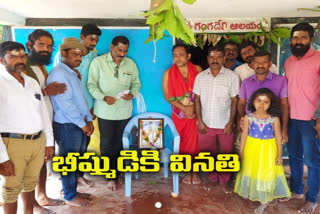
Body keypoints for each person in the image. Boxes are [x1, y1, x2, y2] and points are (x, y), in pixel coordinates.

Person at [0, 41, 54, 214]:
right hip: (12, 143)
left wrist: (49, 143)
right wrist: (2, 157)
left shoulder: (31, 82)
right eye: (13, 56)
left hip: (37, 141)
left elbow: (43, 113)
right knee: (11, 190)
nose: (20, 59)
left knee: (30, 183)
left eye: (22, 55)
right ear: (2, 60)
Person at [87, 35, 141, 191]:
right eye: (119, 50)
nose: (122, 54)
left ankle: (117, 172)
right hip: (105, 112)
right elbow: (91, 85)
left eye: (125, 51)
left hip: (124, 112)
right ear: (111, 47)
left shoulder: (130, 64)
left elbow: (137, 84)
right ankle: (110, 176)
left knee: (120, 144)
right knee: (106, 145)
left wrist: (133, 93)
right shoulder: (98, 63)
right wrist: (103, 97)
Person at [47, 37, 94, 207]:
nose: (79, 58)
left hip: (78, 123)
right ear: (63, 53)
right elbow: (65, 104)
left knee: (76, 159)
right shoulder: (59, 73)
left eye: (80, 55)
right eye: (75, 54)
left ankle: (73, 190)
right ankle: (69, 195)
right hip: (68, 125)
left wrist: (88, 119)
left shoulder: (71, 72)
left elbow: (80, 100)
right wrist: (83, 124)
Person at [54, 24, 102, 188]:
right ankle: (66, 184)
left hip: (87, 109)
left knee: (83, 146)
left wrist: (92, 108)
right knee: (68, 150)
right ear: (82, 37)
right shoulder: (62, 63)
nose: (94, 42)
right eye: (91, 39)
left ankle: (79, 177)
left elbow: (95, 83)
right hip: (69, 113)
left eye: (96, 40)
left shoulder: (94, 58)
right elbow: (61, 92)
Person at [25, 29, 66, 213]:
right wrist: (45, 92)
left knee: (43, 162)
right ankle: (31, 204)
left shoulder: (40, 65)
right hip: (29, 126)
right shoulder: (21, 66)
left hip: (45, 123)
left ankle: (42, 196)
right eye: (41, 44)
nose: (46, 49)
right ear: (29, 45)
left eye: (49, 46)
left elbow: (46, 88)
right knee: (30, 167)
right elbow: (18, 97)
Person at [282, 22, 320, 214]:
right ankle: (296, 190)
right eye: (295, 37)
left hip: (311, 120)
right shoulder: (288, 61)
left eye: (303, 37)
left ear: (311, 39)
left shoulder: (319, 59)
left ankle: (312, 198)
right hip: (292, 118)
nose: (298, 41)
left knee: (313, 161)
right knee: (295, 156)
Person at [234, 88, 291, 214]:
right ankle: (250, 191)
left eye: (266, 102)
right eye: (259, 101)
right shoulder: (248, 117)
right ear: (253, 101)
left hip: (268, 151)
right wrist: (241, 152)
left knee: (265, 173)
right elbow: (244, 135)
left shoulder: (274, 119)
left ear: (271, 104)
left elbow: (278, 138)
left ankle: (264, 201)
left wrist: (279, 155)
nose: (261, 104)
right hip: (251, 149)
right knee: (251, 170)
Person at [194, 46, 239, 193]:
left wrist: (231, 122)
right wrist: (199, 120)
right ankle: (212, 179)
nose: (215, 60)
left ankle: (224, 181)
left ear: (224, 58)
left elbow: (235, 101)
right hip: (205, 123)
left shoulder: (232, 77)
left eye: (218, 57)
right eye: (212, 57)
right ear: (207, 59)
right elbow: (197, 100)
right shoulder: (200, 77)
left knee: (226, 154)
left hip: (225, 123)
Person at [162, 44, 202, 185]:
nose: (177, 58)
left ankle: (195, 171)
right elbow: (168, 97)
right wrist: (184, 108)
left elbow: (202, 93)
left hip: (196, 113)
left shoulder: (197, 70)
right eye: (175, 56)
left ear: (188, 56)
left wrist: (194, 109)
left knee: (196, 142)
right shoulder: (168, 73)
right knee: (182, 141)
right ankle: (187, 170)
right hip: (179, 114)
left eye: (181, 55)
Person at [238, 50, 289, 144]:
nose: (260, 65)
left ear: (270, 64)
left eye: (264, 62)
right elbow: (241, 103)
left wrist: (284, 129)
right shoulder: (246, 82)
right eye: (257, 62)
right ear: (253, 64)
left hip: (273, 129)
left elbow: (284, 104)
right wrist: (242, 118)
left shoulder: (281, 81)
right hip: (251, 129)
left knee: (272, 156)